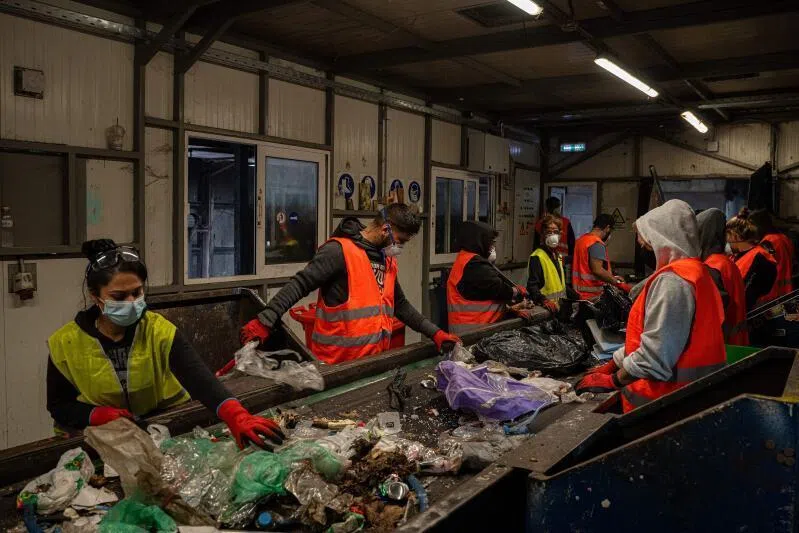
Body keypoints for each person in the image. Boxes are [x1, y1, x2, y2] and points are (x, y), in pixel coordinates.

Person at [47, 240, 284, 450]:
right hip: (106, 440)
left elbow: (200, 380)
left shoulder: (157, 330)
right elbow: (59, 405)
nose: (131, 302)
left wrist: (237, 416)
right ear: (95, 296)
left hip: (161, 427)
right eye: (119, 297)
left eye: (136, 292)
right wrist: (95, 414)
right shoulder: (65, 343)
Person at [240, 204, 460, 364]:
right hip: (335, 366)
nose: (399, 248)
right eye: (400, 241)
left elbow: (400, 305)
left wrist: (436, 333)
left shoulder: (386, 259)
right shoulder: (338, 251)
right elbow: (299, 284)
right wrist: (266, 319)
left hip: (370, 363)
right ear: (386, 230)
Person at [575, 200, 726, 412]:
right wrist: (615, 363)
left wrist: (613, 380)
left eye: (647, 244)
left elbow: (654, 357)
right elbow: (653, 337)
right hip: (691, 395)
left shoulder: (673, 282)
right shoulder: (696, 272)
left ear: (663, 240)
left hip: (665, 403)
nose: (645, 248)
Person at [447, 221, 527, 334]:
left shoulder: (465, 259)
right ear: (479, 240)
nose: (492, 247)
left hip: (473, 329)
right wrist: (516, 291)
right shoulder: (474, 263)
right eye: (490, 242)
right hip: (473, 332)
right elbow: (498, 288)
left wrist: (508, 310)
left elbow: (482, 297)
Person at [697, 208, 749, 345]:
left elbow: (713, 317)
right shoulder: (726, 262)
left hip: (723, 347)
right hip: (737, 342)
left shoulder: (712, 267)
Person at [727, 209, 777, 311]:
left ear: (734, 236)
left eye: (727, 236)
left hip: (753, 316)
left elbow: (748, 296)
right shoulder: (737, 256)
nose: (727, 241)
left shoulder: (760, 259)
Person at [527, 214, 579, 313]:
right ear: (542, 234)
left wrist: (578, 297)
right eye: (549, 232)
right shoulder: (537, 257)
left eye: (555, 232)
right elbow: (532, 286)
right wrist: (543, 300)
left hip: (560, 309)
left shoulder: (558, 257)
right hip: (546, 310)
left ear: (560, 234)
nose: (553, 235)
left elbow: (561, 285)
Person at [571, 214, 627, 299]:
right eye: (610, 230)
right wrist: (616, 282)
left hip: (579, 293)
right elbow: (598, 270)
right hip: (592, 296)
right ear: (607, 228)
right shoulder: (596, 243)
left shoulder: (581, 240)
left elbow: (585, 268)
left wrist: (612, 277)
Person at [749, 209, 794, 300]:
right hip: (787, 290)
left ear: (759, 225)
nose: (750, 229)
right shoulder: (784, 238)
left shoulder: (768, 242)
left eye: (751, 225)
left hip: (772, 294)